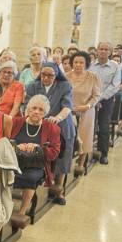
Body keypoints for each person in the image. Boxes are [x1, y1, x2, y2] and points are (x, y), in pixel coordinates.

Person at [24, 62, 75, 205]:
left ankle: (60, 191)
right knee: (41, 157)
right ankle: (39, 189)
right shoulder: (33, 86)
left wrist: (57, 118)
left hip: (62, 127)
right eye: (43, 74)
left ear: (56, 74)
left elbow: (67, 107)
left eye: (50, 75)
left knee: (61, 160)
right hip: (40, 127)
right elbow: (27, 105)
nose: (46, 78)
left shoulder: (64, 86)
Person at [10, 95, 61, 220]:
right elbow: (5, 142)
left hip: (36, 165)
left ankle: (21, 213)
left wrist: (38, 147)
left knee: (31, 178)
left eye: (41, 110)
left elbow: (55, 152)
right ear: (28, 108)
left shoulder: (52, 128)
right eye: (34, 108)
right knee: (1, 174)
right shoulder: (15, 122)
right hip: (13, 161)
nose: (36, 112)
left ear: (45, 113)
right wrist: (17, 146)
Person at [65, 51, 101, 175]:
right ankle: (67, 163)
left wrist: (87, 106)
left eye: (81, 62)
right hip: (68, 111)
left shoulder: (92, 77)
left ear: (86, 64)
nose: (78, 65)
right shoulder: (66, 76)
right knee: (69, 137)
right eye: (75, 62)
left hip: (86, 111)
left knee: (84, 137)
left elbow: (96, 96)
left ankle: (80, 164)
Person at [88, 42, 122, 164]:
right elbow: (87, 82)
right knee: (88, 126)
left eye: (106, 49)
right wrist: (93, 99)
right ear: (97, 51)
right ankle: (86, 153)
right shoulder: (91, 65)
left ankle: (103, 153)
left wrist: (99, 99)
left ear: (110, 52)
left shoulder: (115, 66)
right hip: (90, 99)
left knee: (103, 127)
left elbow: (115, 85)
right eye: (101, 49)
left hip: (106, 100)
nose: (103, 51)